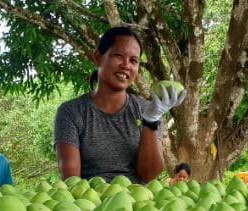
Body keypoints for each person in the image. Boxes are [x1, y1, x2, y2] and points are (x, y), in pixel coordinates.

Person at [54, 26, 186, 184]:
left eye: (134, 61)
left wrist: (151, 120)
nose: (126, 65)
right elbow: (71, 181)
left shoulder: (148, 109)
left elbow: (149, 175)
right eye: (118, 55)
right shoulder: (71, 112)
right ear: (98, 57)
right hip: (91, 203)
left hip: (139, 203)